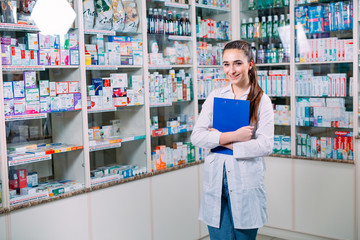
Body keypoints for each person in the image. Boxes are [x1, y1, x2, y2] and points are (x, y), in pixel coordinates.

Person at [191, 40, 274, 240]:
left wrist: (219, 139)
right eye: (226, 64)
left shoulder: (261, 100)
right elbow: (197, 136)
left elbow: (265, 145)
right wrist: (234, 137)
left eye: (237, 63)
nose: (231, 70)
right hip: (216, 177)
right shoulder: (215, 96)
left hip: (245, 178)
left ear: (250, 64)